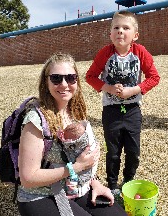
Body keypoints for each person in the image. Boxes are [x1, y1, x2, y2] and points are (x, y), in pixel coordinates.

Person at [17, 53, 127, 216]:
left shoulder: (75, 111)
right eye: (56, 78)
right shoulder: (35, 120)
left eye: (70, 78)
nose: (64, 84)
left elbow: (80, 154)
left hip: (74, 187)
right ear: (46, 81)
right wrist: (76, 167)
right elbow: (28, 178)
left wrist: (94, 182)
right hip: (40, 195)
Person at [85, 11, 160, 195]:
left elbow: (154, 77)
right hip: (111, 110)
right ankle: (111, 185)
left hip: (133, 109)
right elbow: (90, 76)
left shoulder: (140, 52)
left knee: (133, 151)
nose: (120, 31)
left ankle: (128, 181)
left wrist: (134, 90)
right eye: (116, 28)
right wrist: (109, 88)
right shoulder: (105, 53)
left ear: (135, 35)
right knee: (113, 152)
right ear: (110, 34)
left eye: (125, 28)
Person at [55, 120, 98, 198]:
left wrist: (96, 183)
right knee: (72, 180)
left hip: (79, 173)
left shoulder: (82, 141)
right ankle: (73, 193)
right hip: (68, 174)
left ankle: (73, 193)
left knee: (73, 180)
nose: (63, 137)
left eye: (66, 138)